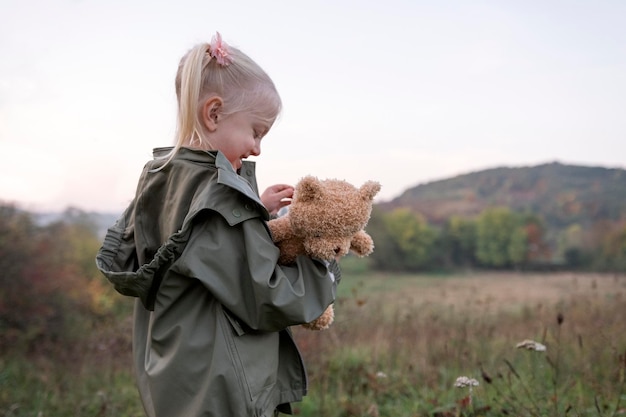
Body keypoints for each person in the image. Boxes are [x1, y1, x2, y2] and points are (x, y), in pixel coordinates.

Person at [95, 32, 340, 417]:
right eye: (256, 131)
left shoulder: (161, 179)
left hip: (176, 376)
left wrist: (253, 211)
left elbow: (199, 251)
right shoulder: (220, 200)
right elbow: (270, 298)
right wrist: (320, 257)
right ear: (214, 113)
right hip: (221, 387)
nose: (258, 147)